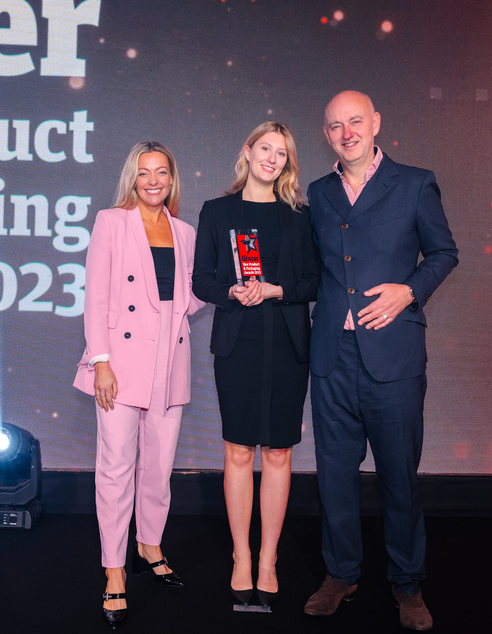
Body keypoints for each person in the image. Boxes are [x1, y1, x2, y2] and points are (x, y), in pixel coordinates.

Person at [303, 91, 458, 631]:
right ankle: (341, 573)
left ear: (375, 123)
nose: (346, 132)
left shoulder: (414, 183)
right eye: (335, 125)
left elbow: (444, 253)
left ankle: (407, 583)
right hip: (332, 357)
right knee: (334, 477)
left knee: (399, 477)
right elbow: (313, 268)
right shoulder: (318, 193)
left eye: (355, 121)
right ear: (326, 135)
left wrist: (408, 291)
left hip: (393, 354)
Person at [73, 141, 204, 630]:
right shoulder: (112, 222)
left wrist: (224, 290)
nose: (153, 181)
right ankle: (114, 569)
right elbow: (96, 296)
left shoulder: (184, 231)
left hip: (169, 359)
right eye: (145, 172)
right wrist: (101, 362)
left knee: (159, 466)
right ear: (133, 177)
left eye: (162, 172)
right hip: (121, 363)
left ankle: (149, 544)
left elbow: (190, 295)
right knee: (115, 467)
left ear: (172, 178)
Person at [192, 122, 319, 608]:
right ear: (247, 151)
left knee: (279, 453)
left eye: (281, 153)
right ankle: (241, 556)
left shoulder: (300, 216)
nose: (272, 158)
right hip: (238, 345)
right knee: (239, 451)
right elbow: (202, 280)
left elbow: (315, 281)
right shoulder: (217, 211)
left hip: (287, 345)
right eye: (265, 148)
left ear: (288, 162)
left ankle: (269, 558)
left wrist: (276, 289)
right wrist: (231, 290)